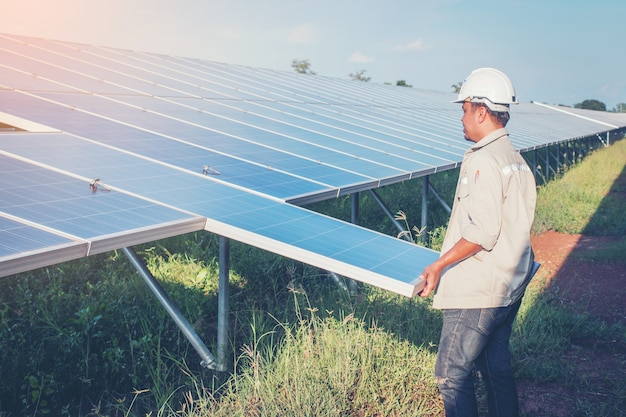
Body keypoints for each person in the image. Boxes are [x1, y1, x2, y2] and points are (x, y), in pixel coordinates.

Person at [418, 68, 537, 417]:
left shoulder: (483, 160)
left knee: (451, 375)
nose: (462, 117)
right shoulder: (514, 159)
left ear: (481, 111)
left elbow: (482, 231)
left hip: (480, 290)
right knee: (494, 367)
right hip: (510, 284)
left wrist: (438, 265)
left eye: (465, 109)